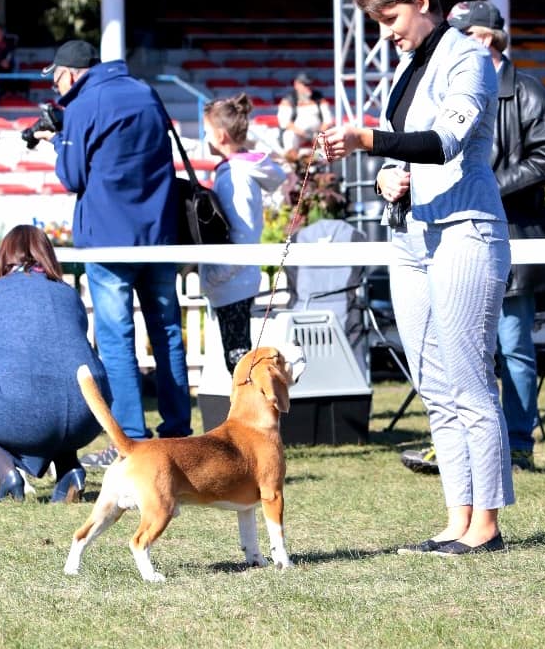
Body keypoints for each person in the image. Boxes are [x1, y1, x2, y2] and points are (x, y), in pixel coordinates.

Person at [322, 0, 514, 555]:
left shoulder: (467, 58)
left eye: (391, 19)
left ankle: (486, 525)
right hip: (411, 234)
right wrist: (386, 173)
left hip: (465, 230)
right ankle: (456, 518)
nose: (385, 34)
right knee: (433, 382)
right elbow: (407, 151)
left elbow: (447, 140)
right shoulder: (408, 65)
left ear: (422, 3)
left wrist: (366, 138)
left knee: (467, 379)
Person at [401, 0, 545, 474]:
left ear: (487, 39)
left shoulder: (529, 92)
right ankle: (454, 442)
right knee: (457, 347)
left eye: (464, 34)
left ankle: (516, 442)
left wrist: (487, 186)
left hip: (509, 230)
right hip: (449, 231)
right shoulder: (440, 86)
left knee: (512, 345)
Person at [35, 39, 193, 469]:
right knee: (168, 333)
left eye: (58, 79)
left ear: (69, 74)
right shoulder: (145, 91)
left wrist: (57, 140)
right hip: (158, 234)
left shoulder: (84, 105)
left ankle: (132, 439)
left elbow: (72, 177)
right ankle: (178, 431)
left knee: (117, 339)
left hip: (108, 239)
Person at [0, 224, 111, 502]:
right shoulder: (67, 293)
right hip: (90, 410)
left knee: (33, 397)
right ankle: (68, 470)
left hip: (25, 409)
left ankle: (6, 472)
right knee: (55, 388)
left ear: (5, 256)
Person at [199, 93, 287, 374]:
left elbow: (241, 237)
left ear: (221, 136)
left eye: (207, 133)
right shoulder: (235, 173)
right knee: (238, 361)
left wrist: (215, 276)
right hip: (235, 280)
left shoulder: (235, 177)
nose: (205, 138)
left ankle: (251, 415)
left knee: (240, 366)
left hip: (232, 281)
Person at [277, 72, 333, 153]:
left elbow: (328, 120)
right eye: (305, 85)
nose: (308, 87)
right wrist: (305, 134)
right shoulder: (288, 100)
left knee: (331, 136)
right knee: (289, 136)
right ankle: (294, 161)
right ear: (296, 84)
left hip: (318, 133)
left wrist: (319, 133)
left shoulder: (319, 98)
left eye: (310, 84)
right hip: (298, 133)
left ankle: (326, 162)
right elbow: (285, 123)